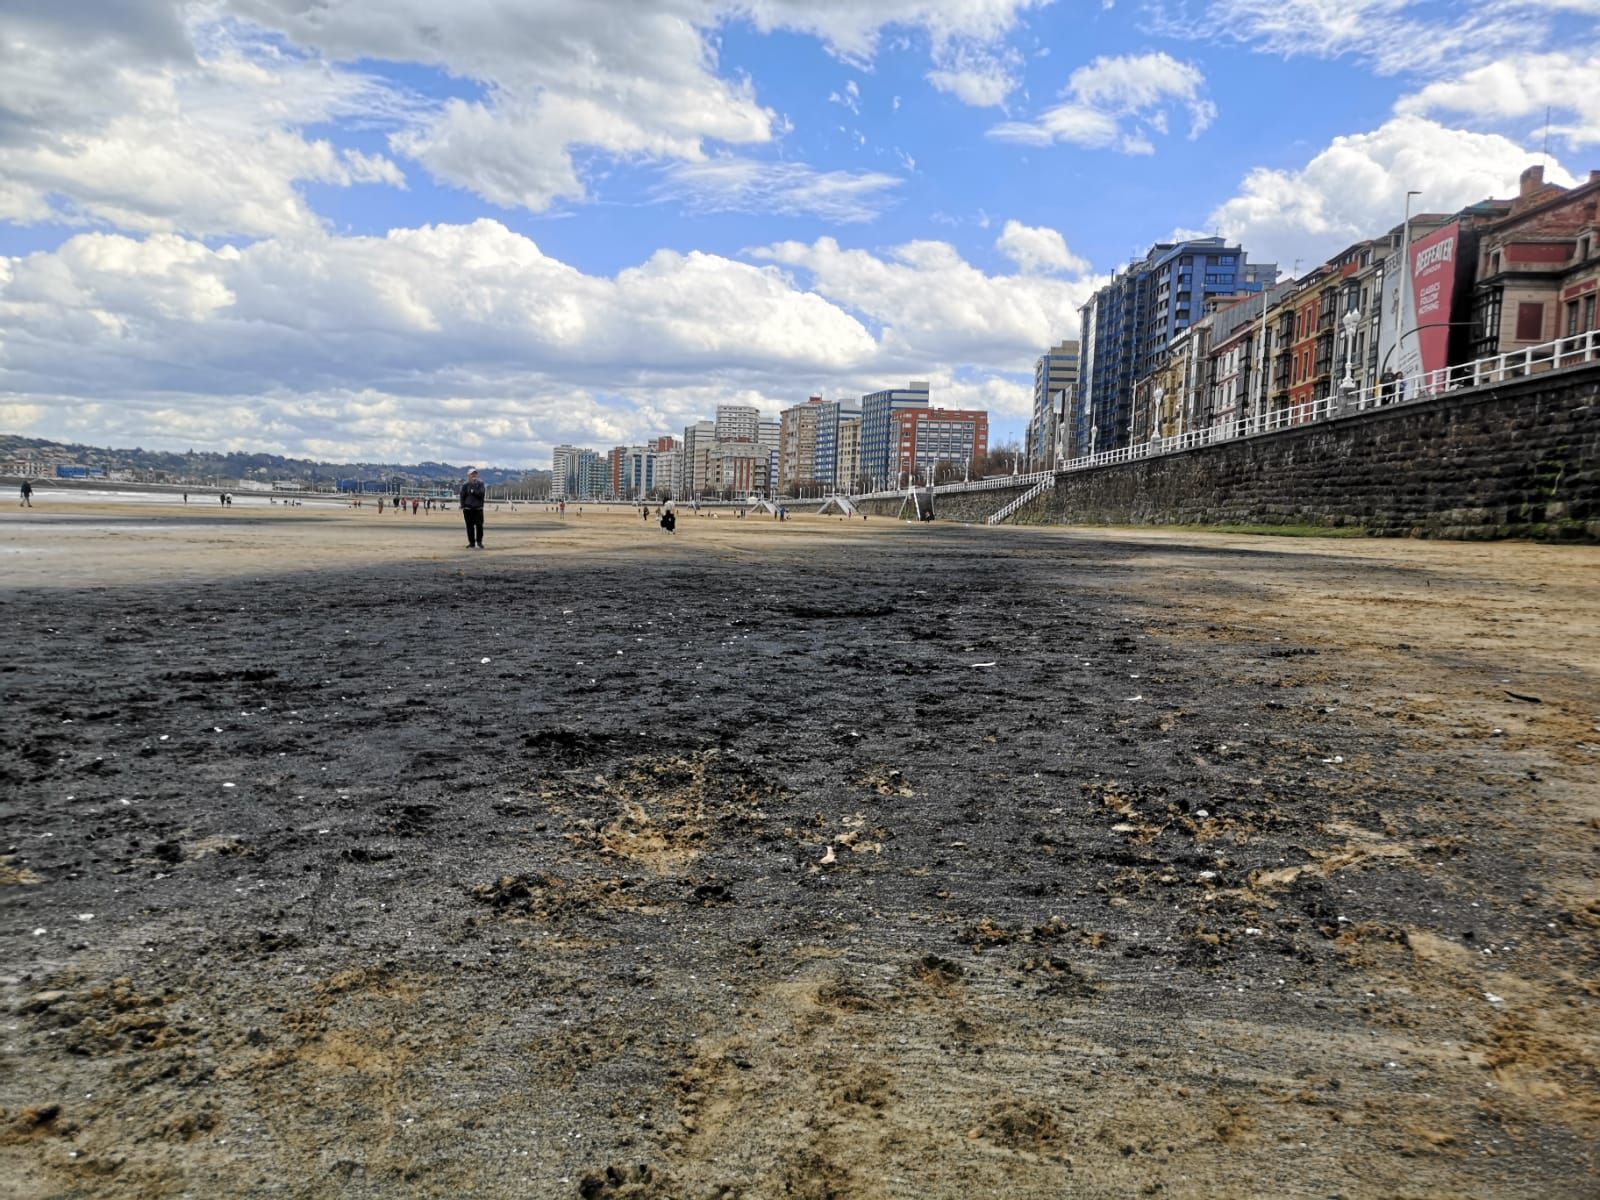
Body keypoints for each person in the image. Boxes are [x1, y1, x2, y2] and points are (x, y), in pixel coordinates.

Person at [460, 468, 486, 548]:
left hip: (478, 508)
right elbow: (462, 496)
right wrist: (463, 505)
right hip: (468, 509)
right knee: (469, 526)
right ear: (469, 475)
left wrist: (473, 491)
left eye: (475, 474)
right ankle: (471, 543)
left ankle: (479, 541)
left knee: (479, 526)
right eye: (472, 474)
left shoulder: (480, 484)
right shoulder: (465, 485)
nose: (474, 475)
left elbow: (481, 495)